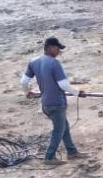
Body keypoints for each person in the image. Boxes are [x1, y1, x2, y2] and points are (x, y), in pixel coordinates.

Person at [20, 37, 87, 165]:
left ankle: (71, 151)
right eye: (57, 49)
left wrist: (27, 92)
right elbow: (63, 85)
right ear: (49, 48)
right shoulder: (54, 64)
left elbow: (23, 81)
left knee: (64, 127)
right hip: (56, 104)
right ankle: (49, 157)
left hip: (46, 104)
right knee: (58, 130)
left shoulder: (33, 62)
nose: (58, 52)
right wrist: (78, 93)